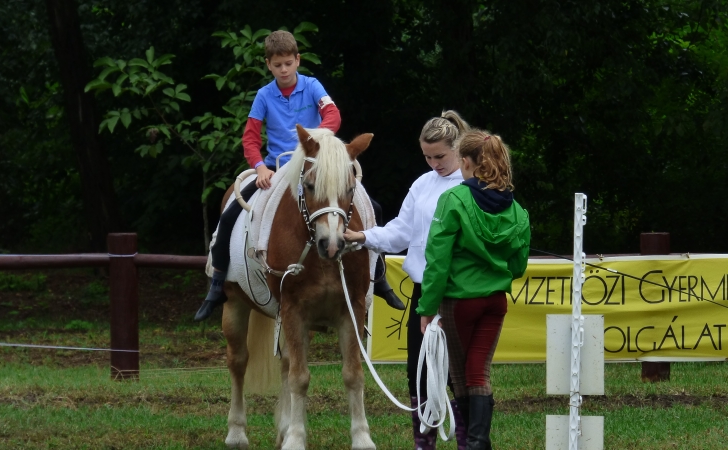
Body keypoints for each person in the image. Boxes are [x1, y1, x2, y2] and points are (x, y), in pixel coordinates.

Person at [195, 30, 401, 321]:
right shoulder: (264, 95)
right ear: (268, 65)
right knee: (230, 214)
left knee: (374, 208)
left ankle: (378, 277)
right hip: (278, 167)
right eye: (277, 65)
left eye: (289, 63)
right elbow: (251, 139)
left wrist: (317, 139)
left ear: (297, 60)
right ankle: (217, 284)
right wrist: (259, 167)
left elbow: (334, 115)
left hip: (316, 163)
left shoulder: (312, 85)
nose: (284, 69)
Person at [344, 110, 471, 450]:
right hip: (424, 291)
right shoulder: (422, 183)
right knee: (418, 371)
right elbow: (401, 230)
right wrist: (363, 236)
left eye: (440, 156)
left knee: (460, 373)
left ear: (458, 147)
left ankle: (468, 441)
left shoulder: (475, 185)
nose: (434, 163)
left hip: (460, 292)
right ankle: (423, 443)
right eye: (427, 156)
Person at [418, 130, 531, 450]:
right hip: (495, 302)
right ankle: (479, 443)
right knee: (478, 372)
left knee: (460, 375)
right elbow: (518, 266)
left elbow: (437, 261)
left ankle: (474, 444)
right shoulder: (517, 210)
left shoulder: (453, 199)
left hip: (459, 303)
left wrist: (427, 308)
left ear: (466, 162)